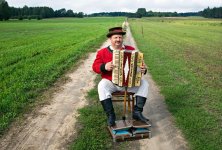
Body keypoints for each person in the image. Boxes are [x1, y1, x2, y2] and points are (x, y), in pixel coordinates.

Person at [92, 27, 149, 126]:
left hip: (129, 84)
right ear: (110, 39)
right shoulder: (102, 52)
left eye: (120, 37)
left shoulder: (131, 50)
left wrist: (143, 69)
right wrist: (104, 66)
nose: (118, 39)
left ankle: (137, 112)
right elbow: (95, 67)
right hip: (112, 83)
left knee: (144, 83)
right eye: (115, 37)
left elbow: (140, 65)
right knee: (102, 85)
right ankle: (111, 115)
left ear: (122, 38)